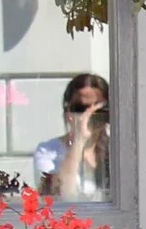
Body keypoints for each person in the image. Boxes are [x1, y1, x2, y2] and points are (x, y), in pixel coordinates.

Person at [33, 72, 109, 202]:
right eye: (80, 108)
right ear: (68, 112)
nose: (89, 115)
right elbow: (61, 195)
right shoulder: (48, 151)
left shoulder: (119, 149)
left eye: (98, 110)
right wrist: (79, 140)